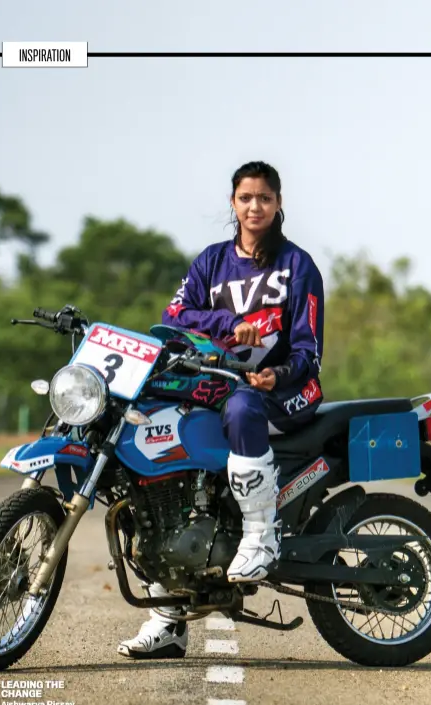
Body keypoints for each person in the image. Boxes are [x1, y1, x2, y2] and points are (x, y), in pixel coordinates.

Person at [118, 160, 325, 659]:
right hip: (221, 383)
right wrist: (231, 321)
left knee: (243, 409)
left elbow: (308, 347)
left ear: (278, 206)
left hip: (286, 388)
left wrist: (277, 373)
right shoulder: (210, 261)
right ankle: (168, 619)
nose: (255, 207)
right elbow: (173, 318)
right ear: (233, 204)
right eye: (246, 198)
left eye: (265, 198)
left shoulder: (298, 266)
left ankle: (261, 537)